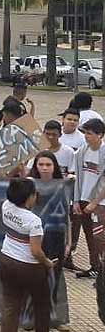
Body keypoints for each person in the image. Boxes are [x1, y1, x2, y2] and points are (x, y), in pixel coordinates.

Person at [0, 177, 58, 332]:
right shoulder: (34, 221)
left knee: (10, 307)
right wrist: (47, 263)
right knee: (41, 304)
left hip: (6, 261)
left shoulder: (6, 206)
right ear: (29, 198)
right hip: (29, 267)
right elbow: (35, 251)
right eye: (34, 194)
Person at [26, 152, 70, 331]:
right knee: (33, 276)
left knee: (55, 277)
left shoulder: (64, 186)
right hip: (35, 236)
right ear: (36, 166)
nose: (44, 168)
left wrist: (69, 241)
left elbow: (67, 215)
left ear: (55, 167)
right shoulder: (29, 184)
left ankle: (54, 317)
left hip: (56, 237)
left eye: (48, 164)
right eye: (41, 164)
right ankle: (29, 316)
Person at [72, 118, 105, 279]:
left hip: (100, 203)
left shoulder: (103, 152)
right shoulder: (82, 151)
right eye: (85, 133)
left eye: (90, 134)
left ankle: (101, 270)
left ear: (100, 135)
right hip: (84, 199)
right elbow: (78, 176)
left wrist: (95, 202)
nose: (86, 136)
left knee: (99, 237)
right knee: (89, 236)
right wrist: (77, 200)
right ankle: (94, 267)